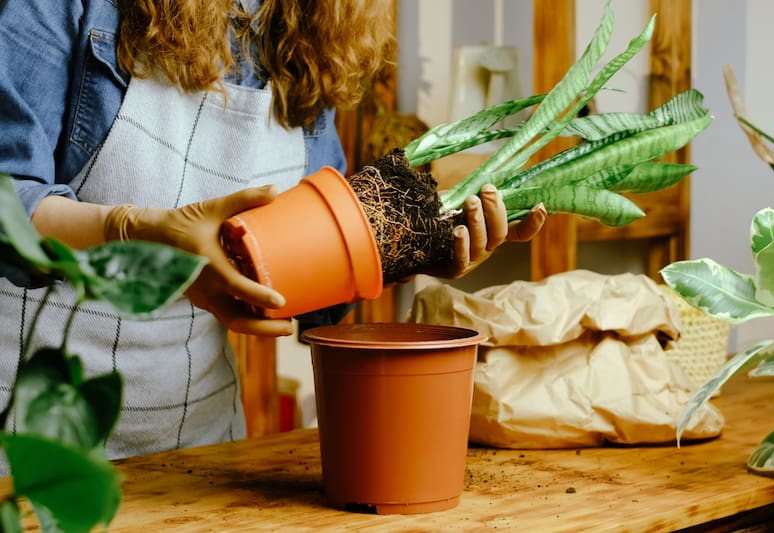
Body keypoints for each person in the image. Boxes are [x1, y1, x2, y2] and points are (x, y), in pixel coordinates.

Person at [0, 0, 546, 467]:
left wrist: (408, 250)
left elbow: (300, 296)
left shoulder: (306, 30)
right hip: (26, 439)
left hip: (194, 450)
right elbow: (6, 202)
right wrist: (131, 232)